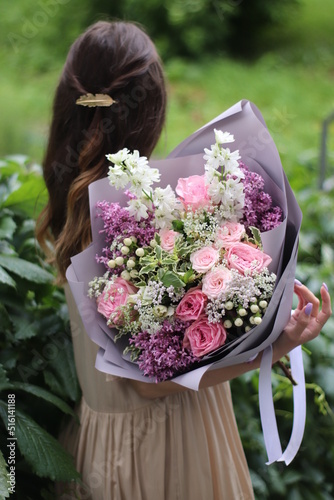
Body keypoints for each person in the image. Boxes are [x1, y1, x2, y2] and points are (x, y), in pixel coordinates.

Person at [36, 20, 332, 500]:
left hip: (101, 439)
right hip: (163, 450)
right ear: (148, 111)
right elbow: (152, 386)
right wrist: (269, 348)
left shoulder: (73, 200)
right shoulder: (131, 219)